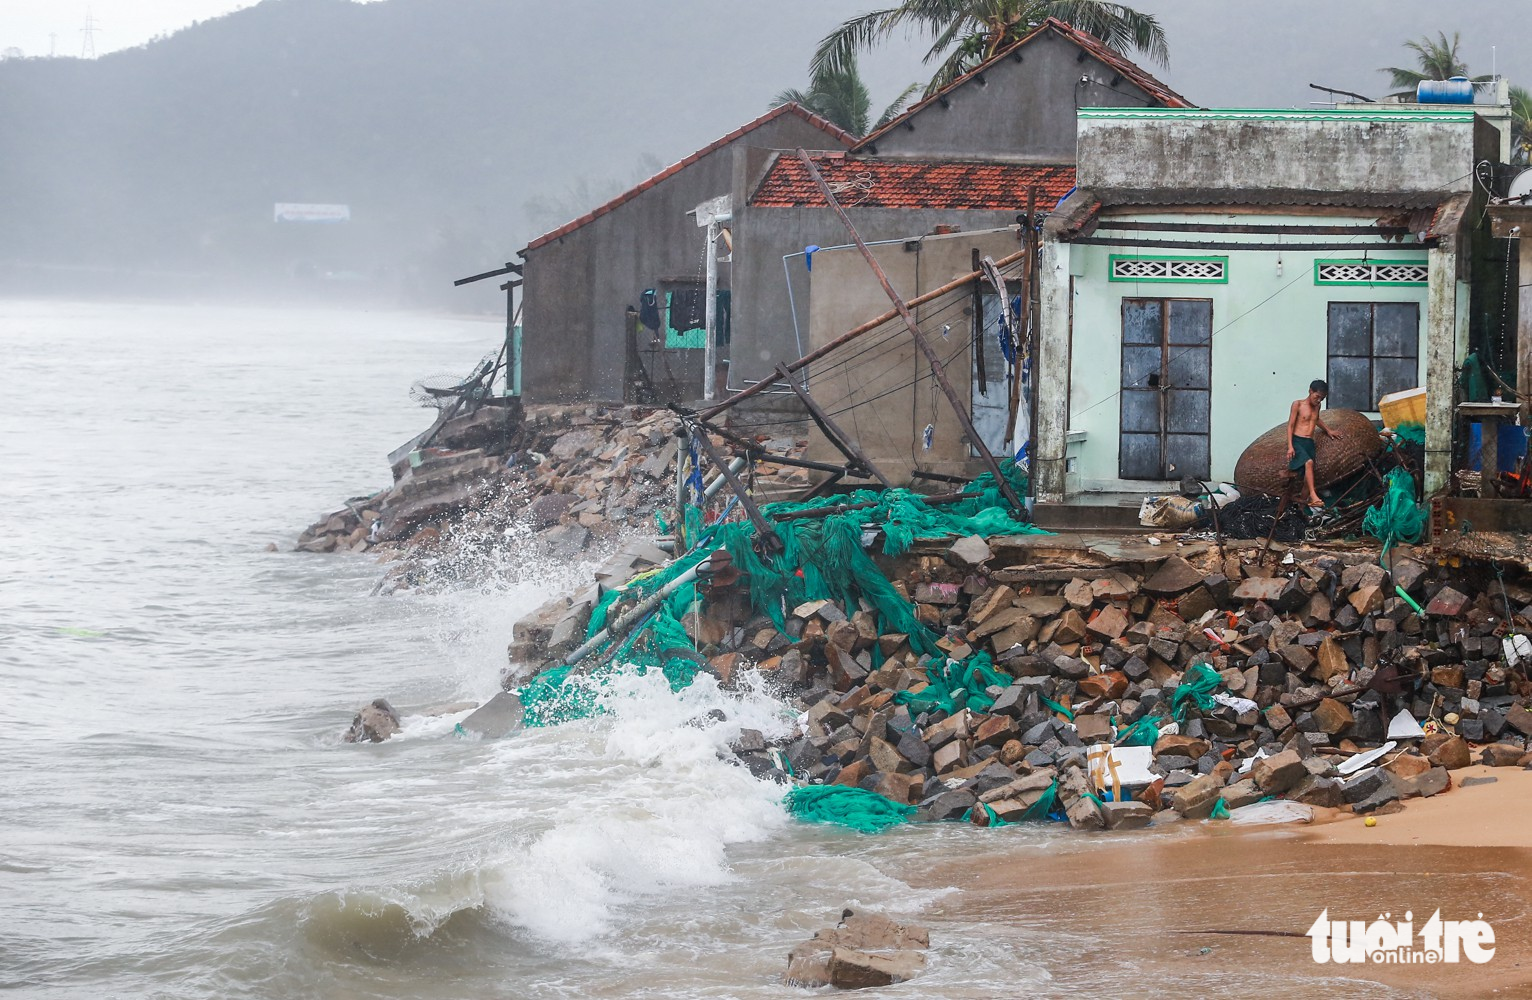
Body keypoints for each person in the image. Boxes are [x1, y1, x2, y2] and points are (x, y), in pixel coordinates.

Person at [1287, 379, 1335, 510]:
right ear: (1310, 391)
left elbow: (1316, 419)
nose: (1319, 400)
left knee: (1307, 482)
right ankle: (1314, 496)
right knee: (1309, 463)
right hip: (1298, 441)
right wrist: (1290, 446)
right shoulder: (1297, 404)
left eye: (1322, 398)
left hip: (1309, 443)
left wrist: (1329, 430)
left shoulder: (1317, 407)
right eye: (1317, 397)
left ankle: (1301, 509)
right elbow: (1290, 425)